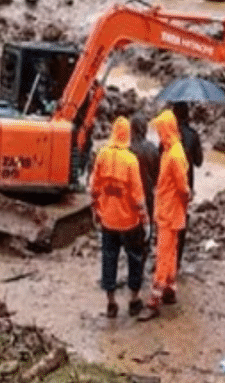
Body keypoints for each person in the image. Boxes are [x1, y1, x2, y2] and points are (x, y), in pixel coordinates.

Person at [90, 117, 149, 318]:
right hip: (129, 222)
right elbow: (138, 196)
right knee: (134, 258)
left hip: (108, 220)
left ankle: (111, 303)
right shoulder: (131, 160)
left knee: (109, 259)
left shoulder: (102, 155)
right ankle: (134, 300)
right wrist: (146, 220)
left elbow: (94, 188)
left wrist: (96, 212)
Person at [138, 109, 189, 321]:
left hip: (169, 212)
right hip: (170, 210)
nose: (158, 134)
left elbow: (183, 188)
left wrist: (185, 199)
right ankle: (169, 289)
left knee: (163, 254)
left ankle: (154, 300)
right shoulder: (171, 150)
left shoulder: (175, 154)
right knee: (171, 251)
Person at [171, 102, 203, 268]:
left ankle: (166, 258)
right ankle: (177, 261)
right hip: (186, 185)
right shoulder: (192, 135)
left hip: (168, 187)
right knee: (181, 222)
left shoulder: (168, 135)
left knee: (167, 222)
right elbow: (199, 162)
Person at [129, 115, 160, 235]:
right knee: (148, 228)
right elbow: (158, 174)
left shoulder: (128, 150)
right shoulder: (152, 148)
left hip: (132, 197)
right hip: (148, 194)